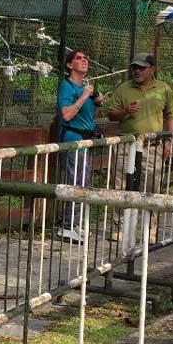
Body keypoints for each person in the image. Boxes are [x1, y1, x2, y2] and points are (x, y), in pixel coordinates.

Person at [106, 52, 173, 191]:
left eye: (141, 68)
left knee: (151, 189)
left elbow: (171, 116)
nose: (137, 71)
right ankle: (122, 213)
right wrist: (125, 111)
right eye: (134, 68)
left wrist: (169, 142)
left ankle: (149, 214)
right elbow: (111, 115)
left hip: (152, 146)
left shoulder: (163, 89)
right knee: (120, 188)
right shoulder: (123, 88)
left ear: (152, 69)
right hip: (125, 146)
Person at [57, 49, 101, 243]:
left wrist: (97, 101)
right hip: (74, 139)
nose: (84, 60)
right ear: (69, 65)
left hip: (87, 140)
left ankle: (76, 224)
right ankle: (66, 226)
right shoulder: (67, 87)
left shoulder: (86, 87)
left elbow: (87, 116)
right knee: (75, 182)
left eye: (86, 57)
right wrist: (84, 97)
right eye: (78, 58)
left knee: (84, 182)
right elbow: (66, 115)